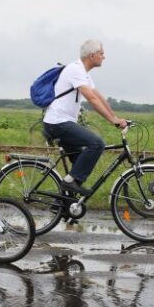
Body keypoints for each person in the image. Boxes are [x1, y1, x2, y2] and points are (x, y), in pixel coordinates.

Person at [42, 39, 128, 196]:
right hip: (57, 122)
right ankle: (68, 184)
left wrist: (115, 117)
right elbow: (91, 99)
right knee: (97, 144)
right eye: (102, 53)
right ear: (92, 55)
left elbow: (99, 97)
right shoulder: (75, 70)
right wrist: (112, 121)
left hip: (63, 122)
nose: (104, 57)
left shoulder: (84, 73)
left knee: (79, 167)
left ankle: (62, 205)